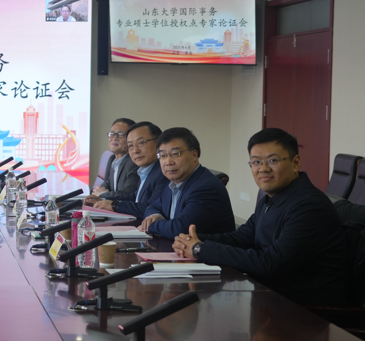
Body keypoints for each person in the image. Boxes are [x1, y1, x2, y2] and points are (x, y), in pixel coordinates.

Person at [173, 128, 348, 305]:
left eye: (273, 160)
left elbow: (271, 263)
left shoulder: (309, 206)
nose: (263, 169)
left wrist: (201, 249)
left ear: (295, 163)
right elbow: (240, 238)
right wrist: (192, 240)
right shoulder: (271, 199)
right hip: (271, 298)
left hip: (306, 311)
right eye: (256, 162)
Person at [139, 127, 234, 239]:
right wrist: (155, 215)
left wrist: (151, 225)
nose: (168, 162)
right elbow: (153, 206)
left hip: (203, 250)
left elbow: (181, 229)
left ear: (194, 155)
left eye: (175, 153)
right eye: (163, 155)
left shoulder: (206, 187)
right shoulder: (173, 183)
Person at [85, 121, 168, 220]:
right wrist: (103, 199)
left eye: (141, 143)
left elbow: (150, 207)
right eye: (131, 146)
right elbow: (134, 197)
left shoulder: (164, 172)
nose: (135, 151)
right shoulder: (145, 171)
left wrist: (115, 205)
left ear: (158, 143)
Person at [92, 118, 139, 199]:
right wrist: (97, 191)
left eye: (120, 134)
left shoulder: (134, 163)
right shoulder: (112, 159)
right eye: (112, 134)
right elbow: (108, 183)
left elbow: (128, 194)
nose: (114, 138)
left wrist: (102, 194)